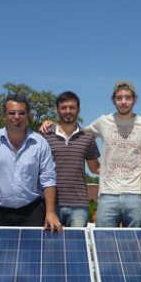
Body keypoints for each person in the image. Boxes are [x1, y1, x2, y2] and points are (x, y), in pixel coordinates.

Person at [41, 81, 141, 227]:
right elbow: (77, 132)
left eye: (127, 97)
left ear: (135, 99)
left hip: (135, 193)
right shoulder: (103, 122)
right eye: (119, 98)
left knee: (132, 242)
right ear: (114, 100)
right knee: (103, 241)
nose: (123, 102)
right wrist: (52, 124)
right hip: (107, 193)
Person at [0, 94, 61, 234]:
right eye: (12, 113)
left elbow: (48, 179)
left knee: (32, 255)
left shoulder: (40, 143)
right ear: (4, 115)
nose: (17, 117)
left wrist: (50, 213)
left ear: (27, 116)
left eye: (21, 113)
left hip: (32, 211)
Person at [42, 91, 100, 227]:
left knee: (77, 247)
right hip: (51, 205)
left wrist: (119, 170)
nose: (68, 111)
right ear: (57, 110)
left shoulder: (87, 137)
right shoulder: (45, 135)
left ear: (78, 110)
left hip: (79, 205)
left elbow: (95, 168)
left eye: (72, 108)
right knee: (52, 247)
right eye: (63, 108)